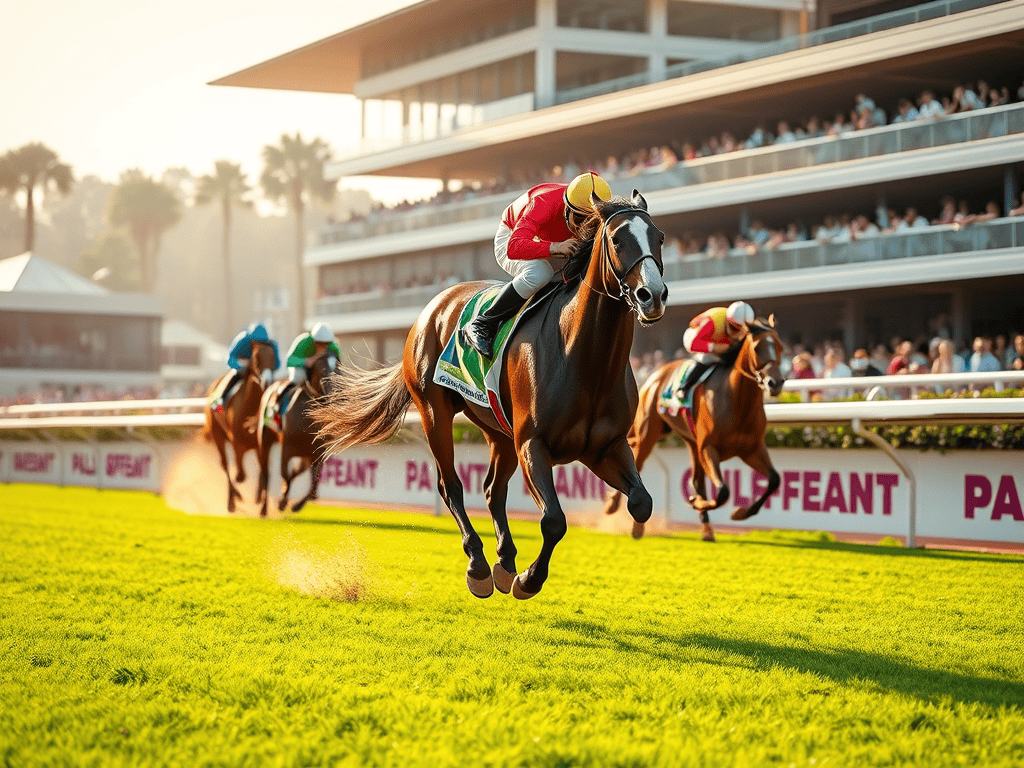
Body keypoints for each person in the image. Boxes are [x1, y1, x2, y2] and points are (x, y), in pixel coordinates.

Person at [461, 171, 613, 357]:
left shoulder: (585, 209)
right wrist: (554, 247)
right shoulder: (543, 204)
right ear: (568, 208)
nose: (585, 228)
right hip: (512, 237)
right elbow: (514, 247)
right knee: (539, 273)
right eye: (581, 220)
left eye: (593, 222)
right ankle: (484, 323)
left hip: (556, 242)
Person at [675, 301, 755, 399]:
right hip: (694, 336)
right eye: (734, 329)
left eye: (741, 330)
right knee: (706, 358)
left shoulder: (744, 324)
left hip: (720, 341)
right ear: (728, 321)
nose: (737, 333)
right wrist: (714, 347)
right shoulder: (711, 322)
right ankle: (684, 387)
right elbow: (694, 345)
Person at [217, 323, 280, 410]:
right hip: (242, 369)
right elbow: (230, 359)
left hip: (260, 372)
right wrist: (242, 363)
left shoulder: (271, 345)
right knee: (235, 375)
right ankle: (221, 399)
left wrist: (267, 368)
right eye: (256, 343)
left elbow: (277, 364)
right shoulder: (242, 340)